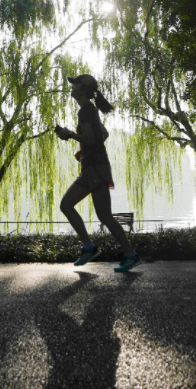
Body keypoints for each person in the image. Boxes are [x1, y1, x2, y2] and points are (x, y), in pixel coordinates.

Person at [54, 74, 142, 272]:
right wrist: (84, 151)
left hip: (96, 168)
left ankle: (130, 255)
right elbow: (103, 134)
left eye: (75, 85)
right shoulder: (89, 110)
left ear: (83, 90)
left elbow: (91, 139)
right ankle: (89, 247)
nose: (72, 87)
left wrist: (69, 134)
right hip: (90, 168)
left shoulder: (86, 111)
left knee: (104, 216)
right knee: (66, 205)